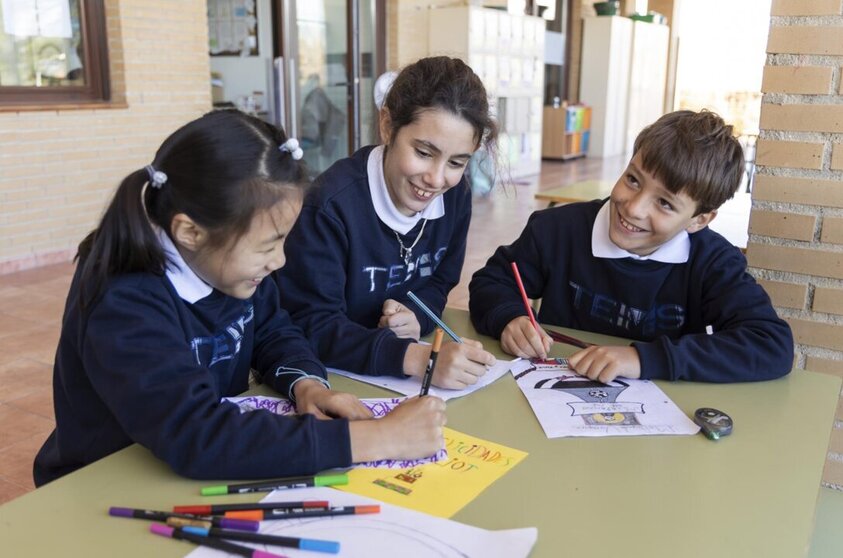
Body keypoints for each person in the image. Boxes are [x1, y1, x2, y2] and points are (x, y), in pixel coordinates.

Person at [33, 110, 446, 486]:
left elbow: (271, 329)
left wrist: (307, 385)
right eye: (269, 246)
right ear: (189, 232)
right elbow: (196, 433)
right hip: (104, 483)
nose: (279, 262)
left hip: (190, 470)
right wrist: (377, 438)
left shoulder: (227, 264)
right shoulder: (124, 299)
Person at [469, 109, 793, 383]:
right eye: (633, 180)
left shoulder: (712, 262)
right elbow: (491, 282)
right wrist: (509, 318)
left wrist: (641, 360)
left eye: (665, 203)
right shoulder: (557, 229)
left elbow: (771, 345)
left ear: (699, 220)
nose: (634, 208)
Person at [276, 56, 497, 389]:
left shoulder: (455, 196)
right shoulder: (329, 207)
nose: (436, 179)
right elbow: (312, 324)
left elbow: (439, 282)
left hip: (390, 371)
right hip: (330, 378)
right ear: (388, 126)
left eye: (456, 162)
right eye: (423, 153)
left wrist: (416, 316)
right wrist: (418, 358)